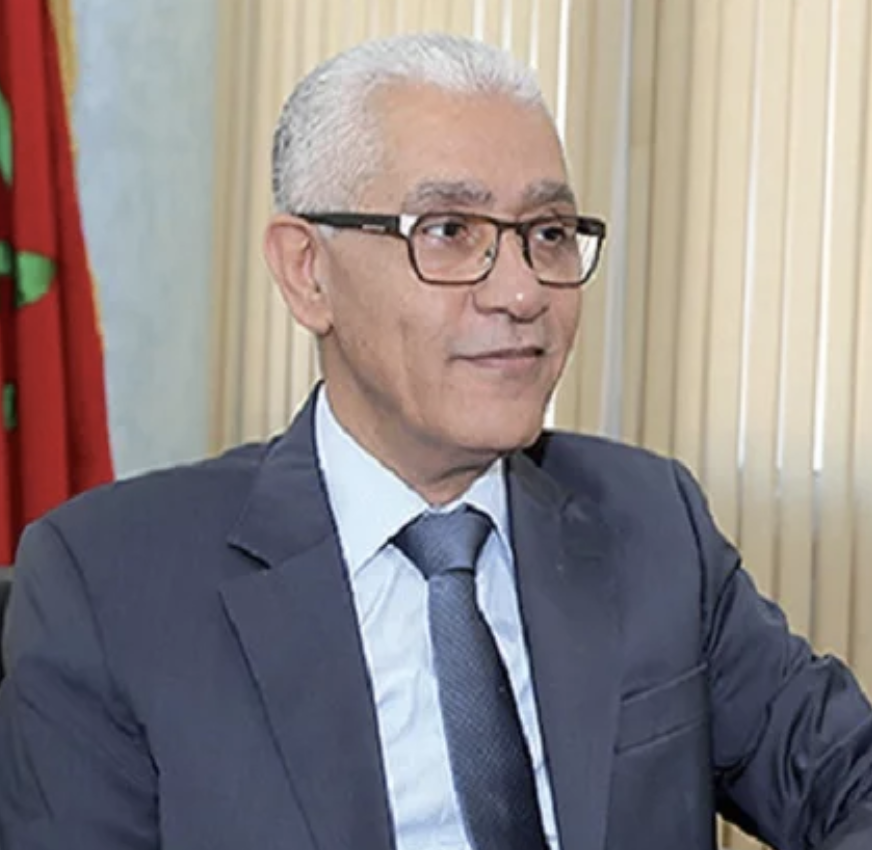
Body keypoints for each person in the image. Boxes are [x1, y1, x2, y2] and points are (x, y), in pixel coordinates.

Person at [0, 31, 871, 850]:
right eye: (450, 232)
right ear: (308, 273)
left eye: (548, 234)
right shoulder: (106, 585)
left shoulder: (652, 524)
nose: (521, 293)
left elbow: (850, 779)